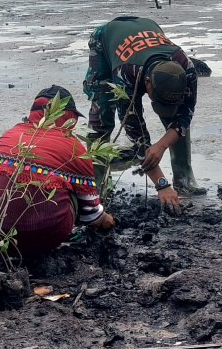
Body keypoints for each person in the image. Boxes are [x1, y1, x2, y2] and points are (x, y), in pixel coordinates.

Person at [0, 86, 114, 256]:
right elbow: (90, 215)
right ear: (67, 116)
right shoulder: (75, 149)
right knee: (74, 189)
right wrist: (104, 219)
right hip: (46, 236)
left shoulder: (11, 134)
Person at [83, 16, 205, 210]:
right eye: (159, 101)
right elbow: (136, 132)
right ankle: (97, 186)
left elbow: (185, 114)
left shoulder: (187, 69)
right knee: (102, 115)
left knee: (175, 119)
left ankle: (184, 178)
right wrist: (161, 184)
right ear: (147, 82)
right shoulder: (125, 74)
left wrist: (162, 145)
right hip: (106, 43)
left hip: (146, 33)